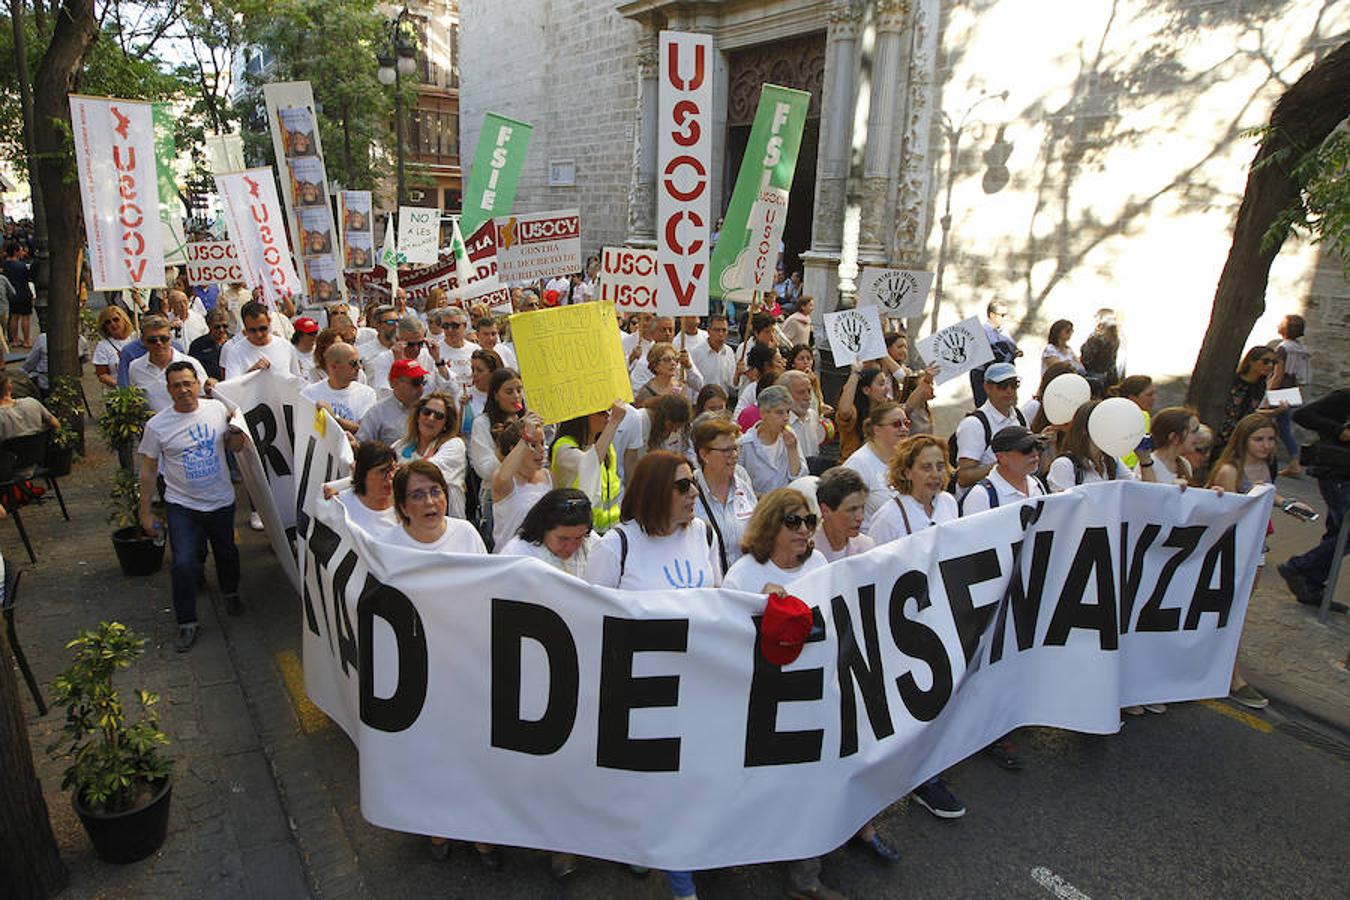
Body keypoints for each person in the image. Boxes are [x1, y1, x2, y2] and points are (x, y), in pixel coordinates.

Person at [137, 361, 246, 651]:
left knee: (226, 553)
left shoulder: (217, 410)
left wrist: (236, 431)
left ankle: (231, 593)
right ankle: (187, 622)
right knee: (183, 564)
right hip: (182, 505)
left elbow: (235, 448)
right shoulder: (157, 426)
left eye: (188, 383)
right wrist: (145, 512)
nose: (183, 389)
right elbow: (148, 471)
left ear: (198, 384)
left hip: (220, 501)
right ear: (169, 390)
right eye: (176, 385)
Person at [1206, 414, 1295, 710]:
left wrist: (1286, 504)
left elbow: (1265, 492)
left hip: (1258, 549)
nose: (1266, 445)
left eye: (1271, 439)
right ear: (1243, 440)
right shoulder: (1230, 470)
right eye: (1259, 439)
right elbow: (1225, 516)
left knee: (1238, 611)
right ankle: (1233, 677)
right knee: (1226, 612)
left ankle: (1221, 670)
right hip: (1233, 552)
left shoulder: (1268, 465)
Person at [584, 450, 721, 590]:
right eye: (683, 485)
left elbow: (716, 597)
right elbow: (594, 606)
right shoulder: (615, 544)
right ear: (655, 491)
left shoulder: (704, 533)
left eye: (694, 482)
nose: (694, 492)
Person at [1279, 389, 1350, 612]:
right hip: (1338, 474)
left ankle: (1311, 585)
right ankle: (1299, 568)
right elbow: (1303, 415)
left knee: (1338, 534)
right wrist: (1340, 431)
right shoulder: (1345, 397)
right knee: (1346, 534)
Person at [690, 417, 757, 571]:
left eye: (735, 448)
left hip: (744, 581)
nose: (733, 455)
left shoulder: (742, 480)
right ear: (704, 455)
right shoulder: (689, 490)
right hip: (710, 586)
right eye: (726, 450)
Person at [1046, 400, 1157, 493]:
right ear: (1085, 429)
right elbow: (1064, 510)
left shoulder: (1112, 460)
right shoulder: (1064, 465)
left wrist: (1145, 460)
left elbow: (1146, 494)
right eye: (1106, 425)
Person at [867, 435, 959, 544]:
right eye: (926, 468)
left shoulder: (948, 502)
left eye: (940, 467)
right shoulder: (888, 517)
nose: (935, 474)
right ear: (907, 473)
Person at [549, 403, 626, 532]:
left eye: (608, 411)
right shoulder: (564, 448)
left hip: (609, 530)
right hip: (577, 531)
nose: (607, 416)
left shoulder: (606, 447)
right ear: (582, 417)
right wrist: (614, 422)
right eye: (601, 412)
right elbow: (590, 464)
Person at [387, 460, 487, 558]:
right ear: (402, 507)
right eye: (417, 496)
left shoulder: (466, 533)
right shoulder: (387, 547)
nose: (429, 502)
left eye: (435, 492)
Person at [954, 362, 1027, 496]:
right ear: (987, 387)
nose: (1009, 390)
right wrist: (1004, 464)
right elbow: (964, 477)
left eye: (1014, 384)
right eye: (1002, 386)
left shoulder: (1020, 417)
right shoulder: (974, 424)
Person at [393, 392, 467, 519]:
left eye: (438, 416)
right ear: (418, 415)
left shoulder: (455, 445)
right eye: (426, 412)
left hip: (447, 523)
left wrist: (397, 470)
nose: (431, 418)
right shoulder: (400, 446)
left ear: (446, 424)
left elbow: (428, 471)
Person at [498, 487, 597, 578]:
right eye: (563, 539)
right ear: (542, 529)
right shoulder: (517, 556)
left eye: (578, 538)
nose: (570, 547)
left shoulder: (591, 542)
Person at [491, 416, 553, 551]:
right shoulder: (503, 480)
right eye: (533, 445)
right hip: (510, 562)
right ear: (515, 449)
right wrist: (526, 436)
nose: (541, 450)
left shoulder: (549, 476)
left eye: (542, 443)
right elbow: (503, 477)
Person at [841, 401, 910, 521]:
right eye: (896, 424)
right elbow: (842, 512)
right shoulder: (857, 465)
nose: (904, 428)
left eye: (906, 423)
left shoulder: (906, 458)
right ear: (877, 430)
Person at [959, 425, 1048, 516]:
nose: (1035, 453)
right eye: (1026, 449)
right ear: (1001, 457)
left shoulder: (1037, 485)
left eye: (1038, 446)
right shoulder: (981, 496)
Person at [128, 315, 211, 413]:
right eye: (152, 340)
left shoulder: (191, 364)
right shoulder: (135, 368)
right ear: (143, 341)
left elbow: (205, 396)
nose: (159, 343)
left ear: (170, 338)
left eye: (163, 339)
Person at [737, 386, 804, 495]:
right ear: (763, 414)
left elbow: (799, 479)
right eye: (779, 412)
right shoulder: (745, 444)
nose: (786, 418)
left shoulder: (790, 437)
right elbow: (737, 484)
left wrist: (792, 450)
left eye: (787, 412)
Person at [303, 343, 378, 437]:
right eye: (353, 363)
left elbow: (364, 431)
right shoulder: (309, 394)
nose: (359, 367)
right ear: (333, 367)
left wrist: (334, 418)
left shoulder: (367, 393)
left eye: (360, 362)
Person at [325, 441, 399, 536]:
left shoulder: (406, 508)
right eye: (383, 471)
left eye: (393, 469)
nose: (391, 476)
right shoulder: (341, 505)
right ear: (363, 474)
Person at [1269, 314, 1311, 477]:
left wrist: (1269, 394)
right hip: (1293, 389)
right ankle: (1294, 463)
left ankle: (1294, 464)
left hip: (1281, 390)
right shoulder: (1300, 349)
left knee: (1274, 425)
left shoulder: (1283, 348)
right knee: (1284, 427)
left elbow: (1278, 375)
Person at [616, 394, 692, 482]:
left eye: (677, 428)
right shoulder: (640, 420)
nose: (673, 431)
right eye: (671, 426)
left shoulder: (659, 429)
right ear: (662, 416)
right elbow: (631, 462)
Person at [469, 367, 525, 483]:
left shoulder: (526, 420)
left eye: (519, 390)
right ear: (495, 395)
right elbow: (485, 471)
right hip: (498, 491)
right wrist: (504, 448)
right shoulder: (482, 423)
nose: (516, 396)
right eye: (509, 392)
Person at [220, 301, 301, 380]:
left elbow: (296, 381)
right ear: (245, 327)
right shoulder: (235, 352)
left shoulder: (286, 347)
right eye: (252, 330)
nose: (259, 335)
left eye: (263, 329)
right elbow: (232, 388)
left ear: (269, 321)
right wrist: (252, 373)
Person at [357, 359, 426, 446]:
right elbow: (363, 446)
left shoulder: (431, 411)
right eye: (416, 383)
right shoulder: (377, 413)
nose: (421, 388)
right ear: (394, 383)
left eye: (422, 381)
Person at [813, 467, 875, 561]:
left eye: (862, 507)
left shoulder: (867, 547)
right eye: (851, 510)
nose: (860, 517)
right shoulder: (807, 552)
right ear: (825, 510)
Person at [834, 367, 890, 462]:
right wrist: (855, 374)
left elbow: (908, 406)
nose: (887, 389)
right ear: (866, 390)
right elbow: (844, 411)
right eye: (881, 384)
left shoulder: (888, 411)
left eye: (886, 383)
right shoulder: (854, 413)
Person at [970, 300, 1020, 406]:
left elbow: (1012, 348)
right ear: (992, 315)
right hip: (984, 374)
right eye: (1002, 315)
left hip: (1003, 374)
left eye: (1006, 315)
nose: (1004, 318)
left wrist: (1016, 352)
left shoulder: (1003, 331)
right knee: (986, 406)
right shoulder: (981, 331)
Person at [779, 370, 827, 468]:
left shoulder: (813, 415)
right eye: (801, 392)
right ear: (785, 395)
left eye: (809, 391)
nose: (808, 397)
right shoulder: (778, 423)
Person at [635, 341, 704, 407]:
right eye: (666, 360)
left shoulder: (681, 387)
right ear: (655, 366)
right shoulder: (646, 392)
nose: (673, 363)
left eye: (675, 359)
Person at [0, 370, 60, 443]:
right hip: (39, 453)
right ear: (10, 387)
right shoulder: (32, 403)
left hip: (9, 453)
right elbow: (56, 424)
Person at [1148, 406, 1203, 484]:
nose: (1198, 437)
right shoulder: (1149, 464)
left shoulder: (1184, 464)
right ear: (1174, 437)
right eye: (1194, 431)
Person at [1113, 375, 1157, 470]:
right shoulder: (1142, 415)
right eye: (1149, 395)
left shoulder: (1112, 410)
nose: (1154, 398)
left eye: (1154, 393)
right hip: (1130, 468)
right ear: (1132, 397)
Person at [437, 306, 480, 399]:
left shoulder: (476, 350)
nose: (450, 330)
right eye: (445, 326)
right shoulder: (435, 351)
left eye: (454, 326)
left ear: (464, 326)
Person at [689, 314, 736, 392]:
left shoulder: (729, 352)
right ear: (708, 331)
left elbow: (732, 383)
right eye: (717, 330)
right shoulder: (695, 353)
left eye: (724, 330)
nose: (721, 334)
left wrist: (738, 374)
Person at [94, 306, 136, 388]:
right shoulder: (103, 346)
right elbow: (102, 375)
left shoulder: (137, 337)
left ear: (124, 320)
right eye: (108, 322)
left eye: (116, 319)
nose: (112, 324)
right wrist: (121, 387)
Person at [4, 241, 33, 348]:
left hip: (11, 293)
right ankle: (26, 340)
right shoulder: (22, 266)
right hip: (24, 292)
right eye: (20, 250)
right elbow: (28, 277)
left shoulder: (5, 265)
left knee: (14, 317)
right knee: (25, 317)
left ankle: (15, 339)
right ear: (16, 252)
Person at [189, 308, 231, 382]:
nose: (221, 330)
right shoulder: (197, 345)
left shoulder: (235, 342)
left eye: (225, 326)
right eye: (217, 327)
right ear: (209, 325)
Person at [290, 316, 321, 381]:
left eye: (315, 332)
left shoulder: (320, 350)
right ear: (299, 335)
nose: (314, 336)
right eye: (310, 333)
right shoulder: (290, 352)